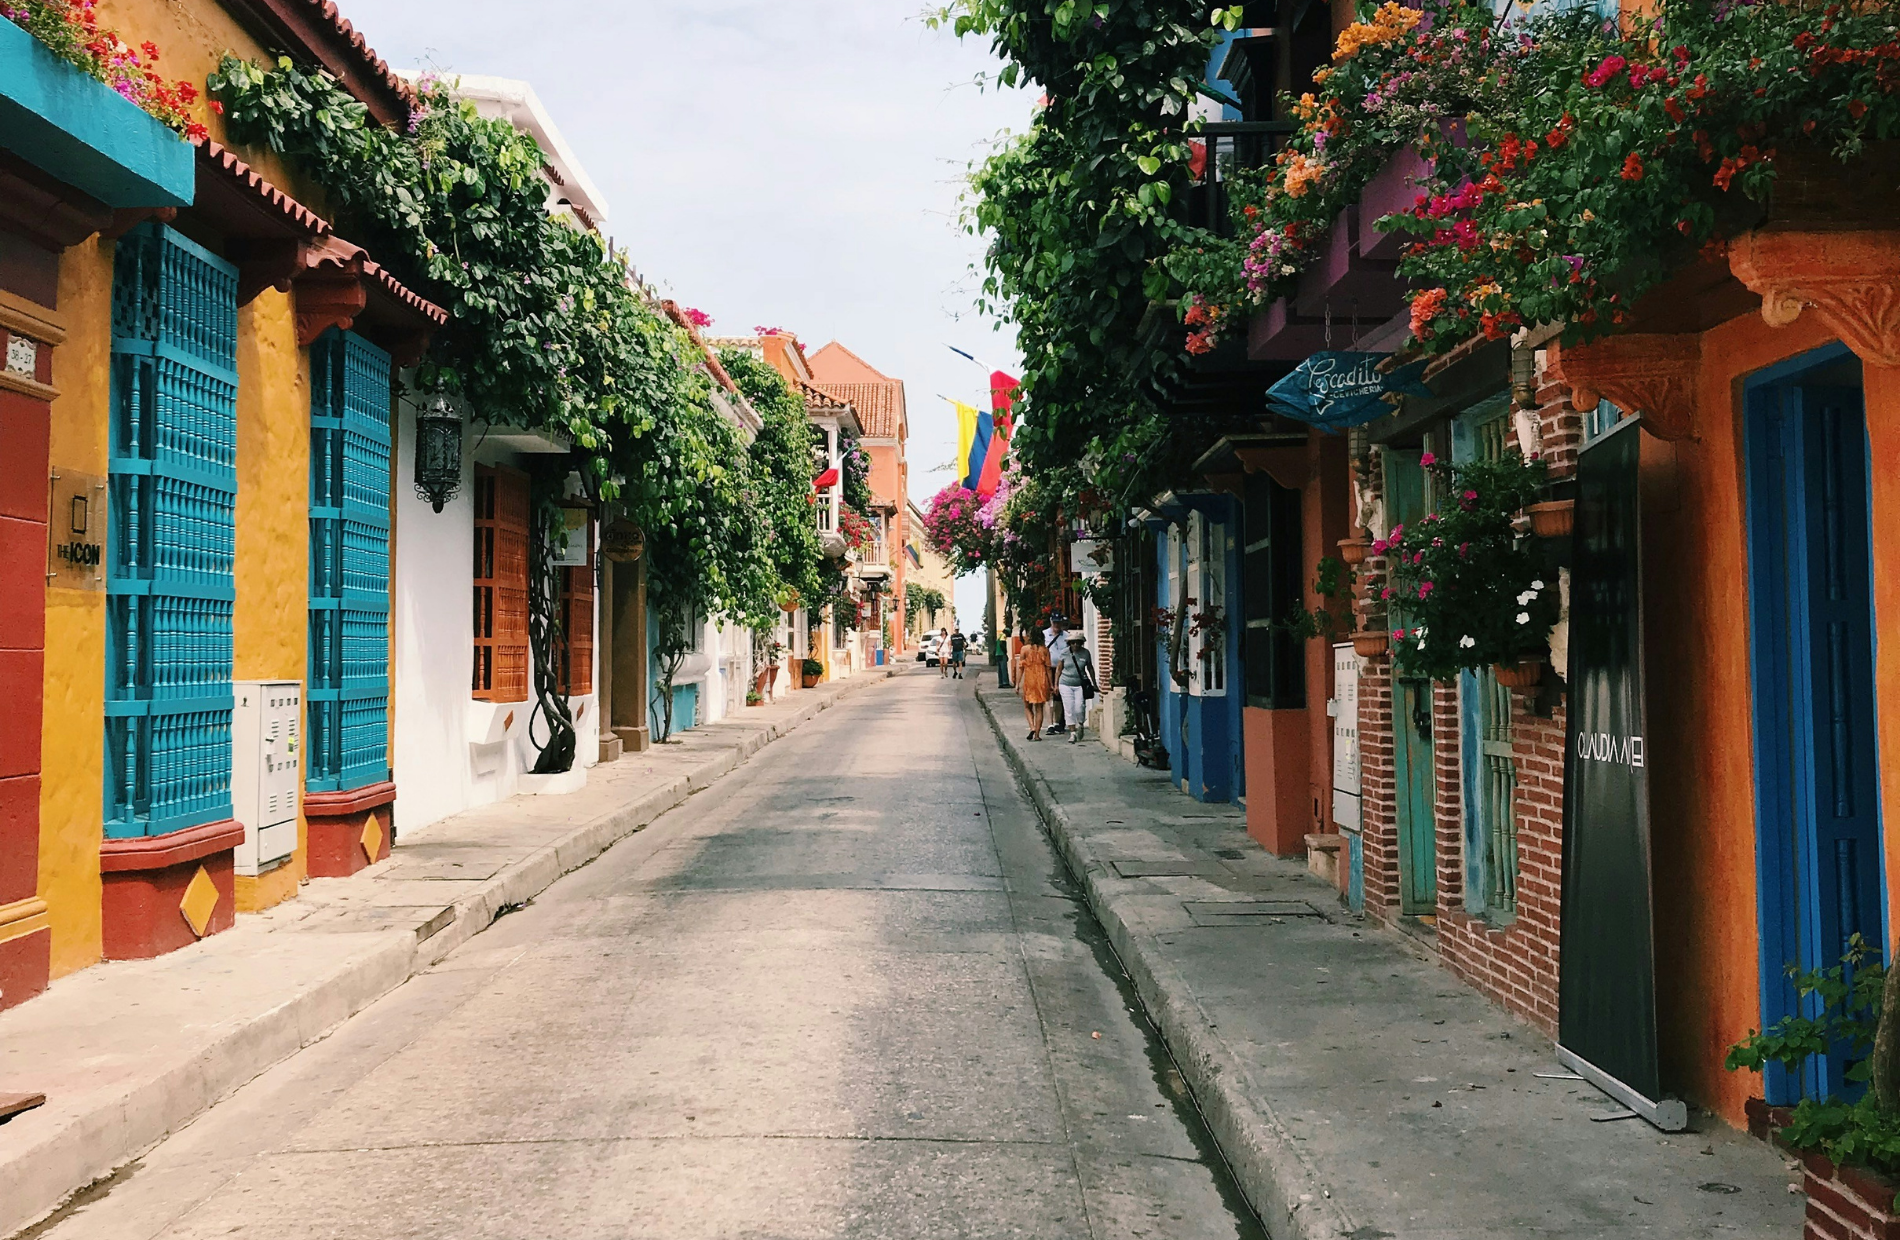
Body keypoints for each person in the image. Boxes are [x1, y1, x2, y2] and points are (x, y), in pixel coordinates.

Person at [1012, 627, 1052, 740]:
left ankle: (1032, 727)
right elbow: (1048, 668)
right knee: (1039, 708)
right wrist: (1051, 684)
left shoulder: (1024, 649)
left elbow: (1020, 668)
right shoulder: (1044, 650)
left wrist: (1017, 684)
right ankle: (1037, 735)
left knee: (1027, 706)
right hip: (1041, 680)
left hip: (1029, 680)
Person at [1057, 634, 1097, 743]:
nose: (1075, 645)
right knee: (1069, 708)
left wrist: (1094, 683)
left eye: (1078, 642)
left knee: (1079, 707)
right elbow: (1059, 669)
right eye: (1073, 642)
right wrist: (1055, 684)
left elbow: (1090, 668)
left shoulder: (1085, 653)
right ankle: (1072, 732)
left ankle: (1080, 724)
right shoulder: (1064, 653)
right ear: (1069, 643)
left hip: (1080, 684)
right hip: (1065, 683)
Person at [1042, 614, 1070, 733]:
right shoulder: (1044, 634)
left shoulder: (1067, 636)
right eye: (1054, 623)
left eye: (1058, 623)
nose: (1056, 625)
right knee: (1048, 696)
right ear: (1051, 622)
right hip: (1048, 668)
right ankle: (1050, 724)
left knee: (1059, 696)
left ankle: (1058, 722)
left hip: (1062, 668)